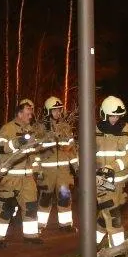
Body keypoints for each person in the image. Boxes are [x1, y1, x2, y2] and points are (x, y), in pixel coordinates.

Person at [0, 98, 43, 247]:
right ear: (19, 113)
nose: (31, 115)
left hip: (28, 178)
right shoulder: (7, 129)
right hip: (10, 177)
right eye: (28, 112)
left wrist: (37, 170)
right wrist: (16, 143)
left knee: (31, 207)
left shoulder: (31, 131)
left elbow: (34, 154)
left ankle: (31, 236)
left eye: (31, 113)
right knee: (6, 209)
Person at [90, 95, 128, 247]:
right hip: (101, 180)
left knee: (105, 214)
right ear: (104, 114)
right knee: (113, 215)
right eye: (112, 115)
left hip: (120, 181)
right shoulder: (95, 130)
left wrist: (114, 166)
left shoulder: (127, 130)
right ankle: (118, 251)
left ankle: (92, 243)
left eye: (118, 116)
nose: (115, 119)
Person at [34, 96, 77, 232]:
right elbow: (35, 151)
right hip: (47, 172)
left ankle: (65, 225)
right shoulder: (40, 128)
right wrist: (37, 170)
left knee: (65, 197)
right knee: (45, 198)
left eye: (59, 110)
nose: (58, 112)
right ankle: (40, 225)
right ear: (48, 111)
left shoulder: (65, 127)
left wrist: (77, 167)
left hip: (63, 171)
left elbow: (72, 149)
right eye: (55, 110)